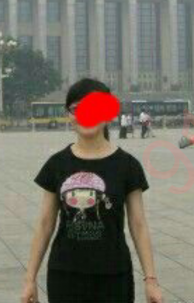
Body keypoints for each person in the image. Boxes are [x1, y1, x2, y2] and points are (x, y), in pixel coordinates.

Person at [21, 78, 162, 303]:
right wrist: (30, 279)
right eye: (77, 108)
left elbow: (138, 225)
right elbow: (45, 224)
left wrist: (151, 280)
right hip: (65, 276)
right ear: (69, 115)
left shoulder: (128, 166)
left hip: (114, 276)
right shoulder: (56, 165)